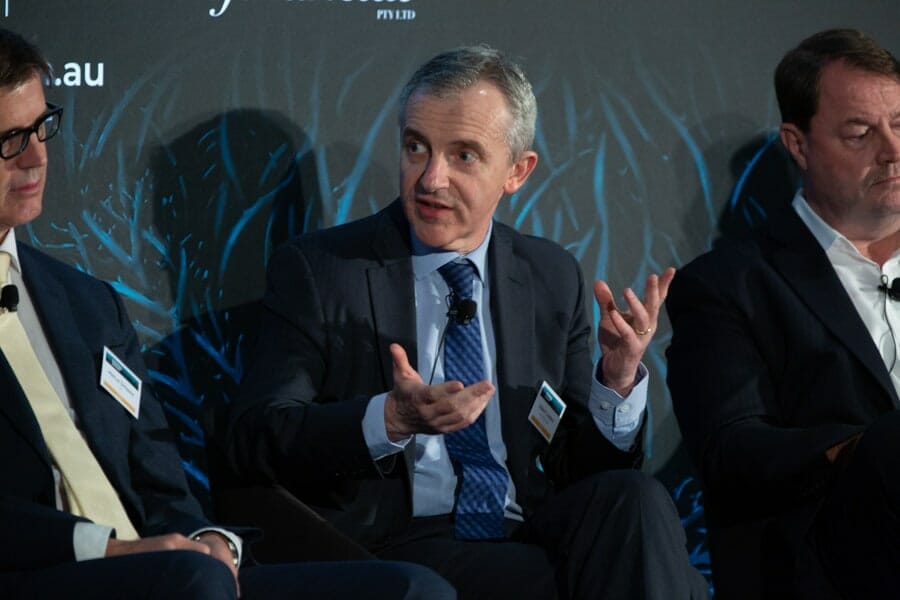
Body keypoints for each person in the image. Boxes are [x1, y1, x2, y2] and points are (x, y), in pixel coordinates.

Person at [225, 44, 706, 599]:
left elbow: (580, 468)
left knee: (636, 499)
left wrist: (616, 383)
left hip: (524, 527)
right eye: (416, 147)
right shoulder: (324, 270)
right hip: (397, 544)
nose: (431, 179)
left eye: (464, 155)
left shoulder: (549, 275)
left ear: (518, 171)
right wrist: (390, 419)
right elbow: (256, 435)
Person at [0, 27, 455, 600]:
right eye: (10, 140)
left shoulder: (86, 303)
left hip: (176, 575)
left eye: (41, 127)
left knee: (413, 590)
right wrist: (107, 550)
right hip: (47, 575)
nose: (37, 157)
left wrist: (207, 537)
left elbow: (157, 475)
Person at [667, 28, 900, 600]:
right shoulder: (728, 285)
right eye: (861, 133)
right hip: (835, 565)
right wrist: (865, 448)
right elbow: (731, 451)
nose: (892, 150)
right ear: (798, 146)